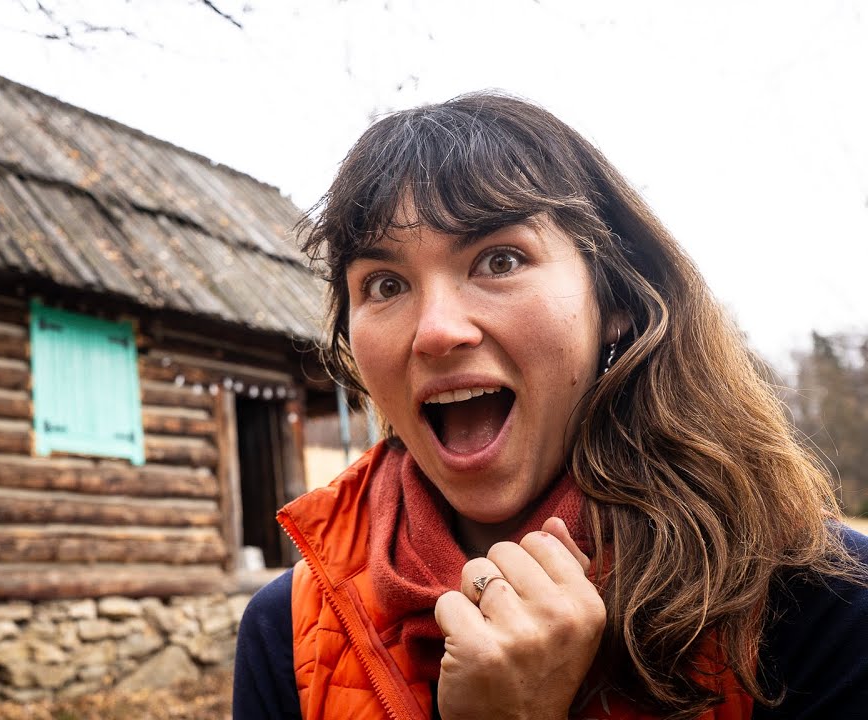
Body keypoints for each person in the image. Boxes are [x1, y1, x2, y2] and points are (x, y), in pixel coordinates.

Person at [233, 92, 868, 719]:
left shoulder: (815, 597)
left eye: (499, 260)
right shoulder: (285, 634)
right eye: (385, 284)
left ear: (615, 302)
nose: (435, 330)